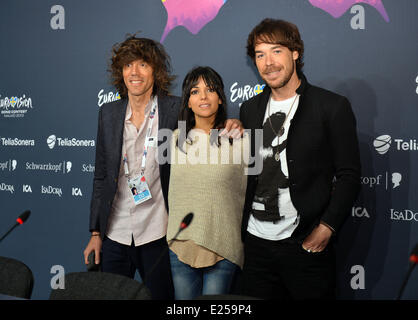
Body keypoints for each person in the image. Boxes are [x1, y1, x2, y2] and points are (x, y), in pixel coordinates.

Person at [83, 36, 243, 300]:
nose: (134, 72)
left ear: (155, 71)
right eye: (127, 65)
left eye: (143, 64)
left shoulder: (174, 109)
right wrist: (96, 232)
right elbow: (100, 176)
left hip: (158, 232)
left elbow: (207, 121)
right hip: (115, 233)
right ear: (120, 72)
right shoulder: (108, 113)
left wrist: (233, 123)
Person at [239, 18, 361, 300]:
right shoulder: (249, 109)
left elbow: (349, 175)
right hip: (256, 245)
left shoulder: (330, 106)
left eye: (276, 51)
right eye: (260, 54)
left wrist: (326, 227)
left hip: (305, 245)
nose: (268, 62)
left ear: (295, 52)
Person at [166, 66, 248, 300]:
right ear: (188, 102)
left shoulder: (241, 140)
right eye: (195, 91)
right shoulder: (172, 140)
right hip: (180, 245)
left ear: (220, 98)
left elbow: (250, 192)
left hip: (223, 245)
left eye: (210, 90)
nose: (203, 96)